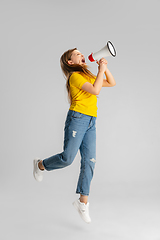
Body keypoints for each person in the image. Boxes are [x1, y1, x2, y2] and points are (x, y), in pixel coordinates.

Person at [33, 48, 116, 223]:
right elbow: (95, 90)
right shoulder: (75, 76)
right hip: (77, 119)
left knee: (90, 161)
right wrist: (100, 71)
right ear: (70, 62)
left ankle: (82, 202)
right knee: (67, 158)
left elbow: (111, 82)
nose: (82, 55)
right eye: (77, 54)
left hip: (91, 121)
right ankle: (41, 164)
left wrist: (104, 67)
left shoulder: (87, 75)